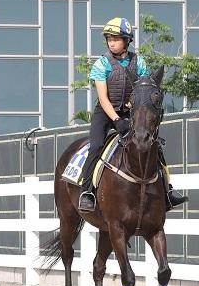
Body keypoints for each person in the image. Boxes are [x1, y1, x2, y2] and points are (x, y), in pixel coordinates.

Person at [77, 17, 188, 213]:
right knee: (95, 146)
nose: (111, 43)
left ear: (127, 41)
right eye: (109, 39)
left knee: (153, 145)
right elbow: (103, 98)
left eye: (116, 39)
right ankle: (87, 193)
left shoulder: (140, 63)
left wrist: (132, 110)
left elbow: (142, 92)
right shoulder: (102, 64)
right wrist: (117, 120)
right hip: (106, 113)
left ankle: (167, 190)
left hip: (130, 111)